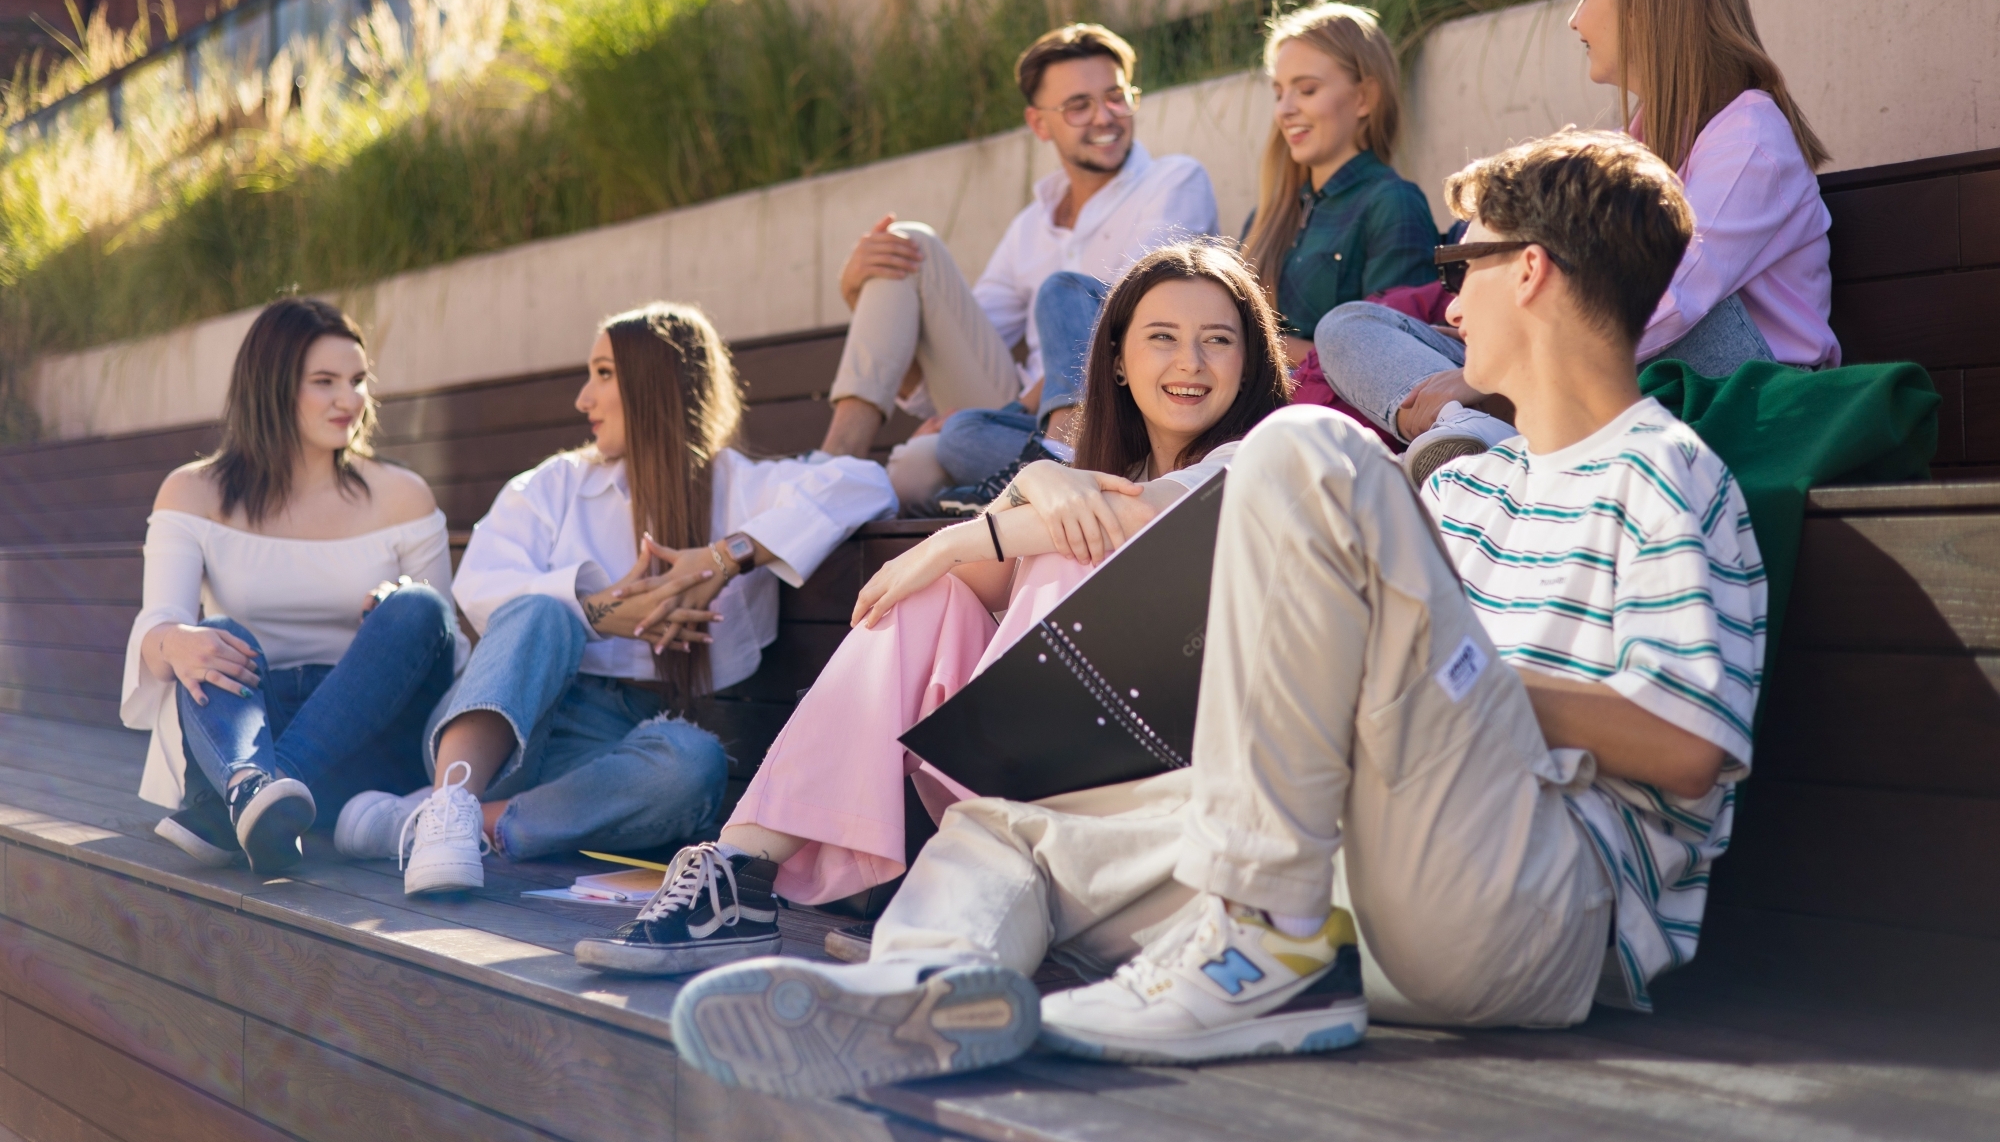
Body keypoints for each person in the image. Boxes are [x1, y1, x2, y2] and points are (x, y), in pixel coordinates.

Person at [666, 131, 1766, 1100]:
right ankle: (925, 995)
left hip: (1540, 903)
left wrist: (1405, 664)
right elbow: (1394, 691)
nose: (1449, 302)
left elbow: (1684, 749)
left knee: (1305, 445)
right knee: (1001, 828)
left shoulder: (1660, 473)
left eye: (1461, 265)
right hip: (1366, 861)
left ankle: (1262, 949)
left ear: (1527, 272)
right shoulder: (1471, 485)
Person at [569, 241, 1291, 976]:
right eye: (1162, 337)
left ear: (1250, 359)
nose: (1190, 363)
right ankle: (741, 872)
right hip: (1051, 747)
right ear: (1115, 359)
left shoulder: (1263, 454)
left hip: (1161, 750)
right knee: (929, 599)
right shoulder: (1086, 477)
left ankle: (960, 891)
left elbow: (1143, 519)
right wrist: (1030, 485)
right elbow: (1031, 544)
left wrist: (962, 535)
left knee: (1048, 549)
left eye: (1218, 341)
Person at [332, 302, 898, 895]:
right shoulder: (556, 485)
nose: (584, 398)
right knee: (542, 611)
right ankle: (452, 804)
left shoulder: (739, 485)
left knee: (694, 765)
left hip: (615, 748)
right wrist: (596, 612)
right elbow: (479, 586)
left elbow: (863, 481)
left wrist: (724, 557)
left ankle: (440, 823)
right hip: (512, 722)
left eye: (604, 374)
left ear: (660, 384)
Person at [1318, 0, 1836, 482]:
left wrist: (1484, 370)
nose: (1575, 20)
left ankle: (1488, 426)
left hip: (1735, 387)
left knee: (1649, 297)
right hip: (1615, 374)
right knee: (1350, 328)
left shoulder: (1751, 137)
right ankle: (1473, 433)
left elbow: (1669, 301)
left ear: (1645, 5)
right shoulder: (1635, 141)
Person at [122, 298, 464, 875]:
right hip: (245, 725)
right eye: (325, 381)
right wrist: (173, 642)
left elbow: (448, 648)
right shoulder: (192, 491)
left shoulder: (403, 495)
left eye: (357, 381)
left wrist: (392, 614)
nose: (350, 399)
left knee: (418, 606)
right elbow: (161, 625)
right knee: (214, 633)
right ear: (272, 386)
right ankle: (257, 790)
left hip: (369, 741)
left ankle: (254, 799)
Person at [817, 23, 1219, 507]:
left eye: (1115, 97)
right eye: (1078, 106)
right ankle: (835, 463)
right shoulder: (1029, 227)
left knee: (917, 469)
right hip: (1025, 424)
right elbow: (961, 351)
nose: (1104, 117)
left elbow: (1124, 327)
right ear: (1039, 124)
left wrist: (1008, 411)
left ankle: (1049, 462)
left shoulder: (1173, 181)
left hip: (1118, 416)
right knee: (904, 248)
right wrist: (856, 294)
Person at [1237, 0, 1438, 367]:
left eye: (1307, 90)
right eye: (1279, 92)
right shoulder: (1265, 215)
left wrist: (1263, 347)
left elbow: (1394, 361)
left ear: (1364, 98)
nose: (1284, 110)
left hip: (1341, 422)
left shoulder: (1393, 204)